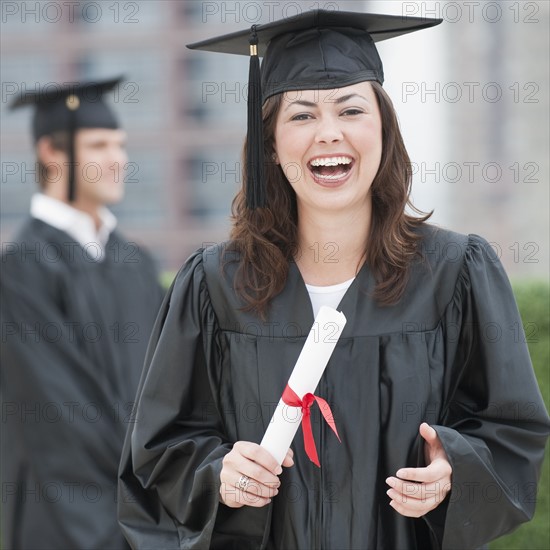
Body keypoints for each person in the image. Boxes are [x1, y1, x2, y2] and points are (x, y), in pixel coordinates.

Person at [118, 10, 550, 550]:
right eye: (301, 116)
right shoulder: (215, 287)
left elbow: (513, 434)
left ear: (384, 131)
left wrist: (455, 470)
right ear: (270, 144)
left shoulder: (455, 275)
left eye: (351, 109)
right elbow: (157, 453)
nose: (329, 133)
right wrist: (217, 476)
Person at [1, 77, 165, 549]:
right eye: (98, 145)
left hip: (146, 515)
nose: (118, 159)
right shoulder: (23, 268)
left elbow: (167, 387)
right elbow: (58, 413)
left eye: (120, 145)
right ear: (53, 153)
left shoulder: (136, 263)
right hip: (66, 519)